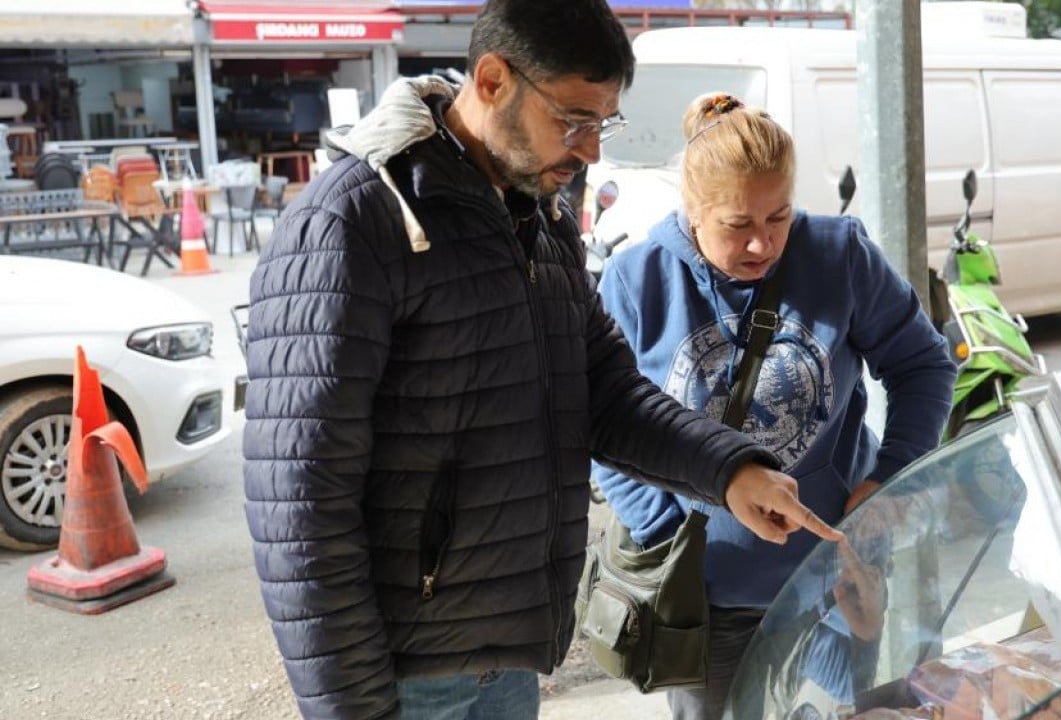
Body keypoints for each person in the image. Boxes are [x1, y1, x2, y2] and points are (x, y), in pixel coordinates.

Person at [241, 4, 842, 719]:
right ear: (493, 81)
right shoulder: (355, 222)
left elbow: (608, 395)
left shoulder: (540, 220)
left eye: (603, 124)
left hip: (507, 661)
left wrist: (730, 471)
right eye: (573, 120)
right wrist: (355, 709)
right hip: (401, 680)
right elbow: (301, 507)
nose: (590, 152)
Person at [593, 92, 957, 719]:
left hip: (837, 584)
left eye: (779, 218)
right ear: (692, 210)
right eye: (738, 225)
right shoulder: (636, 280)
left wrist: (889, 479)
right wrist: (671, 541)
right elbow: (603, 425)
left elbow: (923, 365)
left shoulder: (839, 254)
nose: (762, 244)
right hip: (708, 602)